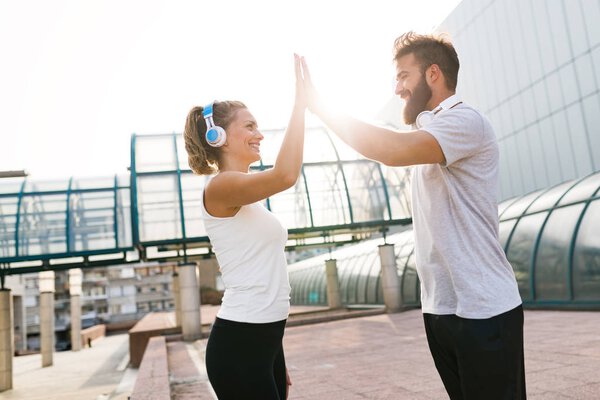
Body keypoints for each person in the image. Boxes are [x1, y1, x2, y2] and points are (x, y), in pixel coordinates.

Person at [297, 32, 526, 399]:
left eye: (404, 75)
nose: (398, 87)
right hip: (442, 308)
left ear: (433, 73)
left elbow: (388, 149)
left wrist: (322, 107)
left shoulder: (464, 120)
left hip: (484, 309)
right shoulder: (430, 130)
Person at [182, 54, 306, 400]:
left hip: (262, 342)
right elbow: (285, 175)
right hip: (239, 346)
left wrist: (273, 356)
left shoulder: (247, 195)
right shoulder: (220, 187)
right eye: (250, 126)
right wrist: (301, 105)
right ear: (217, 136)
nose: (260, 134)